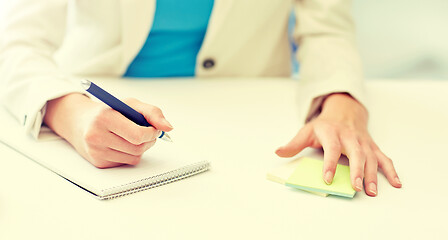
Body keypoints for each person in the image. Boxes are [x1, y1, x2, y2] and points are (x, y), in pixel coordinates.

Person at [0, 0, 402, 197]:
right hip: (91, 114)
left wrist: (341, 102)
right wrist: (68, 111)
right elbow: (14, 43)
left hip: (250, 114)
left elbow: (326, 28)